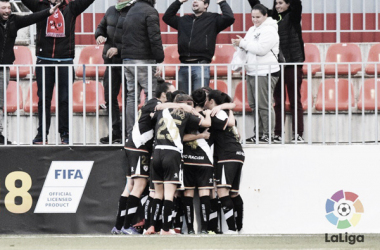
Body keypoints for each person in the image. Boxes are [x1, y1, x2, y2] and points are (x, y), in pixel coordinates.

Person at [21, 0, 95, 144]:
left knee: (64, 99)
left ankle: (65, 133)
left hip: (65, 60)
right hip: (44, 60)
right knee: (44, 99)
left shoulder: (72, 7)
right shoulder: (40, 6)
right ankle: (42, 134)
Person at [111, 79, 176, 235]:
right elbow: (161, 108)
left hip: (132, 145)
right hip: (139, 147)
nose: (174, 95)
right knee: (139, 186)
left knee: (130, 186)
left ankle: (118, 226)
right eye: (172, 92)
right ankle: (127, 227)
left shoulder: (151, 104)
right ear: (164, 95)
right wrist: (182, 105)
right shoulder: (155, 103)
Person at [150, 94, 211, 235]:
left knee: (157, 194)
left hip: (157, 151)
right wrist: (200, 113)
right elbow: (207, 124)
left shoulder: (162, 111)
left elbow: (152, 114)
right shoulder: (186, 113)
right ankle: (165, 229)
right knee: (169, 195)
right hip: (172, 153)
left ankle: (151, 226)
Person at [0, 0, 59, 145]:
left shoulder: (14, 20)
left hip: (4, 68)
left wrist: (48, 12)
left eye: (9, 7)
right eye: (3, 8)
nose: (7, 10)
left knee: (0, 103)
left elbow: (31, 18)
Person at [248, 0, 305, 143]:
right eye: (276, 3)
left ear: (288, 4)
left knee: (294, 100)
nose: (278, 6)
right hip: (277, 65)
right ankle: (277, 133)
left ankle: (298, 134)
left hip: (293, 63)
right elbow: (256, 4)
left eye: (281, 3)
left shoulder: (293, 15)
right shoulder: (272, 17)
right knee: (277, 101)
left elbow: (297, 3)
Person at [162, 0, 235, 94]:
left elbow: (229, 18)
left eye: (199, 0)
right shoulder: (184, 20)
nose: (195, 1)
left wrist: (222, 2)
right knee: (182, 99)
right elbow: (167, 17)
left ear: (206, 5)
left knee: (199, 98)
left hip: (201, 65)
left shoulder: (213, 19)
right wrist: (178, 2)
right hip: (183, 65)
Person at [231, 4, 280, 144]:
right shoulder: (252, 29)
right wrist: (240, 44)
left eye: (258, 17)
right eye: (253, 17)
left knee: (264, 105)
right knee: (254, 105)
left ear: (265, 16)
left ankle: (268, 134)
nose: (255, 20)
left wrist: (243, 43)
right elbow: (248, 46)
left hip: (265, 71)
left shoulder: (270, 30)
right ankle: (258, 134)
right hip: (252, 70)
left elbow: (261, 49)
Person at [121, 0, 164, 138]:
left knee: (131, 96)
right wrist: (160, 59)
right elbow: (154, 37)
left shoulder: (131, 11)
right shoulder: (150, 11)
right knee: (150, 94)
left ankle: (130, 133)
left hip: (127, 59)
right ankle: (145, 131)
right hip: (143, 58)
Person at [95, 0, 136, 144]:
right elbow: (101, 27)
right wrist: (99, 35)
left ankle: (127, 132)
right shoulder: (110, 10)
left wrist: (119, 50)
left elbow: (135, 39)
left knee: (127, 99)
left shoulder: (134, 11)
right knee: (110, 98)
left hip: (126, 63)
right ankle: (115, 132)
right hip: (110, 64)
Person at [205, 90, 244, 234]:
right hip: (238, 153)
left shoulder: (215, 115)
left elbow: (230, 123)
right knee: (234, 193)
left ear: (212, 102)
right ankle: (239, 227)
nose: (205, 103)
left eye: (207, 100)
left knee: (222, 191)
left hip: (226, 155)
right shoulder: (227, 112)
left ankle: (232, 229)